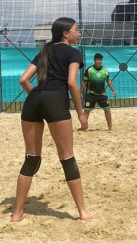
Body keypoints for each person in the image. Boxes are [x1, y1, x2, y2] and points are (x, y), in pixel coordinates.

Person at [11, 17, 92, 222]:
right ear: (65, 33)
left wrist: (37, 97)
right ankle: (82, 212)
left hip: (34, 99)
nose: (79, 33)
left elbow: (23, 79)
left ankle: (17, 213)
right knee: (67, 158)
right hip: (56, 99)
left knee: (31, 158)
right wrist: (80, 113)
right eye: (76, 30)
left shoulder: (44, 51)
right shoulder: (73, 53)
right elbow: (72, 83)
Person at [81, 53, 117, 130]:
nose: (100, 61)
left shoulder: (104, 69)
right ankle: (83, 128)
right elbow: (84, 82)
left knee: (107, 109)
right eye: (98, 60)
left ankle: (110, 127)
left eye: (101, 60)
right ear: (94, 60)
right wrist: (79, 92)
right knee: (86, 111)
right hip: (91, 94)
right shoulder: (89, 70)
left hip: (102, 94)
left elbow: (108, 81)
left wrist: (113, 91)